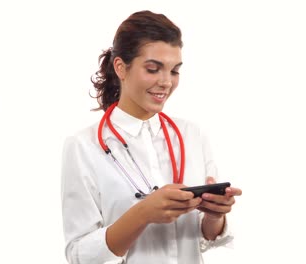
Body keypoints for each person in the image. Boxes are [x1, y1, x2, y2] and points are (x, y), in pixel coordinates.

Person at [61, 10, 242, 264]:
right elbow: (79, 255)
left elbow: (205, 235)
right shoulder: (84, 146)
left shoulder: (191, 135)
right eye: (153, 69)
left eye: (174, 71)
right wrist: (143, 213)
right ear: (121, 68)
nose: (166, 82)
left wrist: (215, 216)